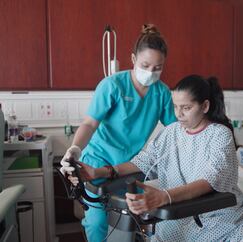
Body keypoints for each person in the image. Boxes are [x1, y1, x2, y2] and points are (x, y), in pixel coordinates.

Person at [64, 75, 243, 241]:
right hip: (176, 215)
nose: (179, 114)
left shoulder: (220, 135)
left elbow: (210, 181)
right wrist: (100, 172)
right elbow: (144, 161)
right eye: (176, 107)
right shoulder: (172, 132)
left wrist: (163, 197)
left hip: (215, 217)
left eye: (186, 108)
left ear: (205, 106)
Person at [60, 24, 176, 242]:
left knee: (135, 220)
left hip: (128, 168)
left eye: (158, 68)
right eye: (145, 65)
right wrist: (75, 148)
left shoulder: (162, 93)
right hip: (97, 161)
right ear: (133, 59)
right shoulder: (112, 86)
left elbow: (176, 131)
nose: (151, 72)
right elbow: (89, 124)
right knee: (97, 223)